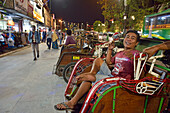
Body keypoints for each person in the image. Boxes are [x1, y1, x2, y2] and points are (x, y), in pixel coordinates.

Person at [54, 30, 141, 110]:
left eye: (132, 38)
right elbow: (108, 62)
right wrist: (109, 50)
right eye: (127, 37)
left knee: (87, 79)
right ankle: (90, 75)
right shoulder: (120, 53)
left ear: (136, 43)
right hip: (112, 75)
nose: (129, 39)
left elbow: (147, 54)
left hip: (121, 81)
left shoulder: (137, 54)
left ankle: (72, 102)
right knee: (98, 60)